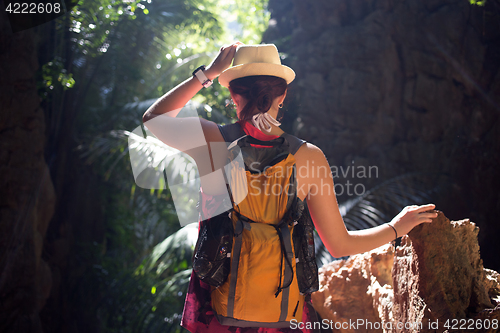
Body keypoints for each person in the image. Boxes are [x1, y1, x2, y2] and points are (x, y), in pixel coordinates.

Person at [142, 42, 437, 332]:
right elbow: (339, 245)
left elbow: (154, 119)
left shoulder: (211, 142)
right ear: (282, 95)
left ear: (233, 94)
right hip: (282, 311)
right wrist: (397, 227)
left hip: (219, 313)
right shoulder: (309, 157)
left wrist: (207, 73)